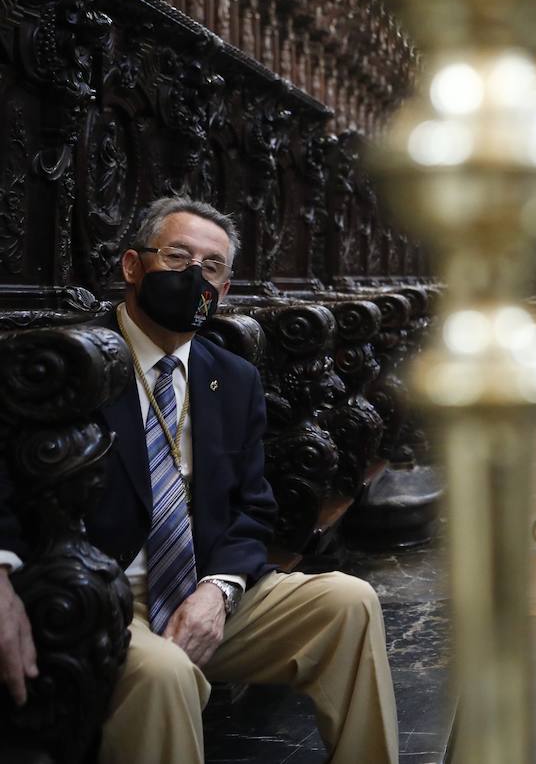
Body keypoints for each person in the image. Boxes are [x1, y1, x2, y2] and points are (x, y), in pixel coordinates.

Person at [0, 197, 398, 764]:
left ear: (225, 290)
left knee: (349, 601)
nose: (194, 277)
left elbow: (254, 506)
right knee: (164, 674)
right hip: (98, 597)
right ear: (133, 267)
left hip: (198, 586)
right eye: (177, 256)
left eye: (211, 267)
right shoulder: (72, 364)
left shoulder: (231, 377)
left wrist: (219, 589)